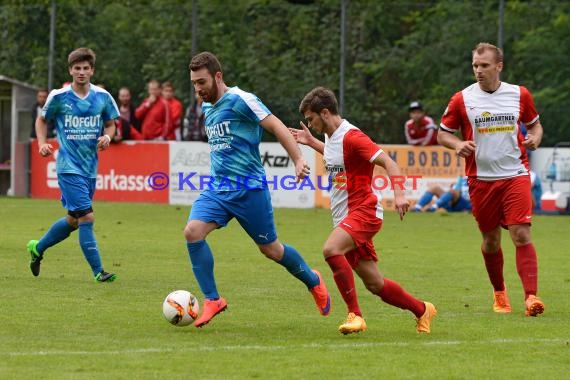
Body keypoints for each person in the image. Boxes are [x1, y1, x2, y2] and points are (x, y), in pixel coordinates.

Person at [186, 52, 331, 328]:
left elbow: (276, 126)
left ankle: (313, 280)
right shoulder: (206, 107)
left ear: (218, 76)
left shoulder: (242, 99)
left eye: (202, 82)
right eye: (193, 83)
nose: (198, 89)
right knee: (192, 232)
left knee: (271, 250)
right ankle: (212, 299)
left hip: (249, 190)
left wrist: (299, 159)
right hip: (218, 189)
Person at [292, 86, 436, 334]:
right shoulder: (331, 136)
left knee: (331, 249)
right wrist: (311, 142)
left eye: (311, 118)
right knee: (375, 284)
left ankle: (355, 316)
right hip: (345, 216)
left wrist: (400, 194)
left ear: (325, 113)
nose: (310, 123)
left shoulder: (353, 136)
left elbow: (389, 162)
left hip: (364, 211)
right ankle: (423, 309)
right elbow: (339, 157)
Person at [438, 42, 545, 317]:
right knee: (491, 241)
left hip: (515, 175)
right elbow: (443, 134)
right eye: (475, 65)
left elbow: (535, 124)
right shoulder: (462, 99)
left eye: (484, 65)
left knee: (521, 233)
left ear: (499, 66)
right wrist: (457, 144)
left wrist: (535, 137)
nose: (478, 70)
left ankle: (531, 297)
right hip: (480, 180)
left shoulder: (519, 94)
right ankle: (499, 293)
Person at [27, 47, 119, 282]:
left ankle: (38, 248)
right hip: (68, 166)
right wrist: (41, 143)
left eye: (85, 68)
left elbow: (111, 124)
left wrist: (108, 136)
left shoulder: (102, 97)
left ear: (92, 71)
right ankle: (99, 272)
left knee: (74, 220)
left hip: (90, 168)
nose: (81, 72)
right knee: (87, 218)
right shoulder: (59, 97)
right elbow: (41, 120)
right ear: (70, 70)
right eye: (77, 68)